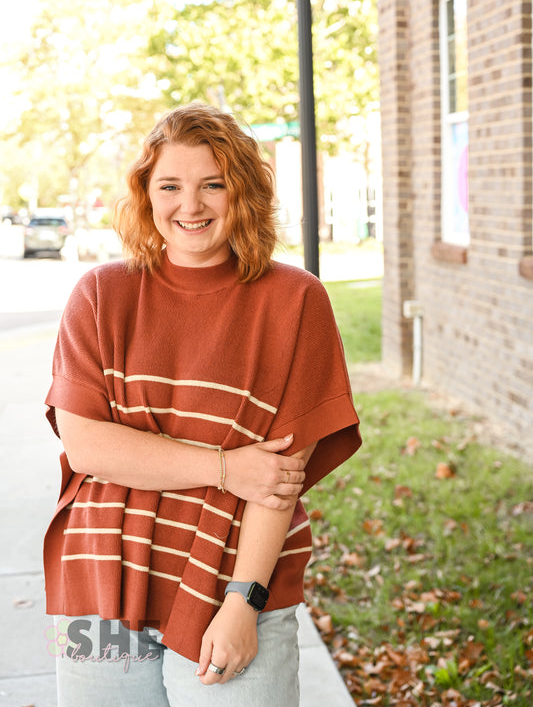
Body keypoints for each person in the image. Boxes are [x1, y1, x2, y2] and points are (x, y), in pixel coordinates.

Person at [43, 102, 362, 706]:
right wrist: (225, 468)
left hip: (234, 584)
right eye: (170, 186)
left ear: (242, 191)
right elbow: (87, 446)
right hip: (99, 583)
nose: (190, 206)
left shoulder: (294, 302)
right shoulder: (101, 295)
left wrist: (246, 601)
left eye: (212, 185)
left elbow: (278, 478)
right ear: (146, 194)